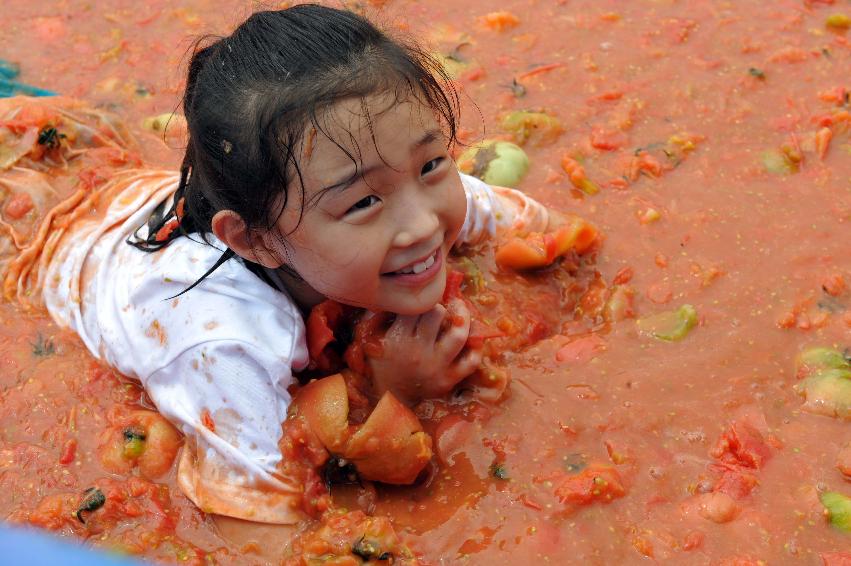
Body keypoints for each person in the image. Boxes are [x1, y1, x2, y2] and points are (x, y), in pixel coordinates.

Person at [0, 5, 555, 523]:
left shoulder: (398, 179)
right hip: (46, 252)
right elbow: (258, 507)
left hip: (149, 199)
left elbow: (537, 228)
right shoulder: (221, 344)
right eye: (363, 202)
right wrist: (392, 391)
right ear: (257, 240)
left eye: (433, 162)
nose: (425, 224)